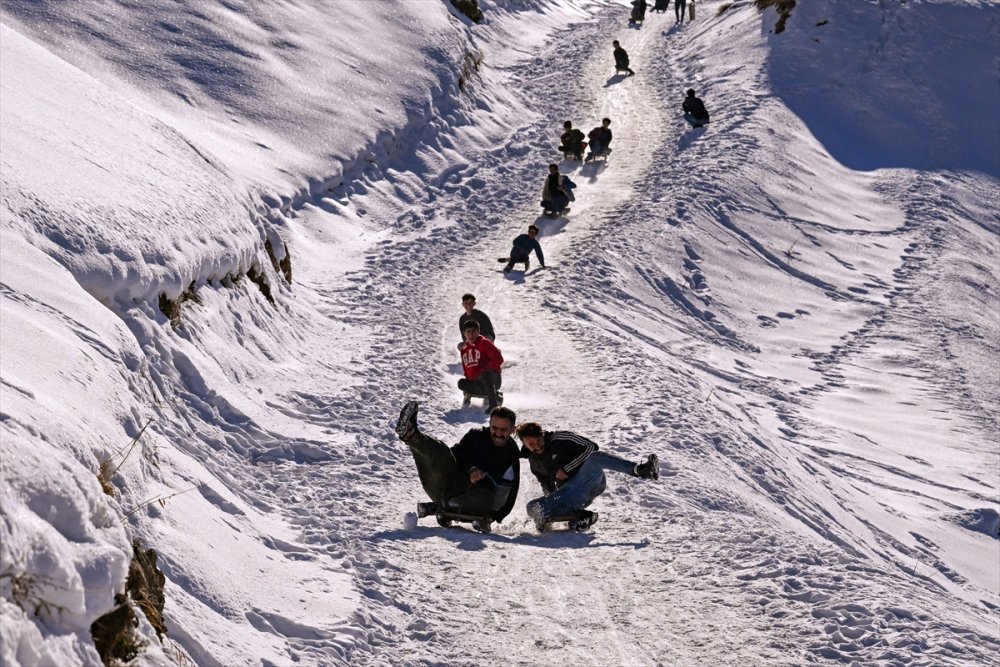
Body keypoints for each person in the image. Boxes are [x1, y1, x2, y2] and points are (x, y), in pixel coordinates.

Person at [395, 401, 520, 532]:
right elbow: (456, 452)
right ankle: (411, 434)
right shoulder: (476, 435)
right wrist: (470, 469)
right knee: (442, 451)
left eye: (503, 430)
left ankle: (439, 506)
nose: (498, 433)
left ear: (512, 429)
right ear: (489, 424)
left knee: (486, 498)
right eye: (495, 428)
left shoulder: (511, 454)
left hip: (475, 498)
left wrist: (494, 516)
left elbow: (511, 491)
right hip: (447, 485)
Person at [516, 422, 659, 531]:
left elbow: (591, 446)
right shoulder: (534, 462)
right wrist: (550, 505)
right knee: (532, 508)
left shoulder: (559, 439)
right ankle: (581, 516)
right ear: (525, 445)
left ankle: (640, 470)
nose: (537, 446)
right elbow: (547, 487)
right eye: (531, 444)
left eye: (539, 441)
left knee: (595, 458)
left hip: (589, 481)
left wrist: (567, 469)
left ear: (543, 435)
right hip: (571, 494)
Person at [458, 319, 504, 412]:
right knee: (461, 383)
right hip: (477, 382)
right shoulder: (464, 350)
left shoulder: (484, 343)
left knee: (484, 375)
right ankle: (494, 395)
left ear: (478, 332)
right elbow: (466, 369)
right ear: (464, 333)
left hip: (492, 379)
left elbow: (498, 359)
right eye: (468, 331)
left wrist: (483, 370)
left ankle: (493, 405)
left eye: (474, 331)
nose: (471, 334)